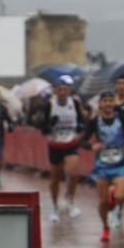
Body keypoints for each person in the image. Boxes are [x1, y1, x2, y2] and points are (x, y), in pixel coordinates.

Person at [81, 91, 124, 242]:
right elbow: (83, 141)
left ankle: (115, 208)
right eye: (105, 101)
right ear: (100, 104)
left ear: (114, 103)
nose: (108, 104)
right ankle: (105, 227)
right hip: (102, 165)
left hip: (120, 163)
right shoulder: (94, 121)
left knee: (121, 195)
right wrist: (92, 146)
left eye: (111, 101)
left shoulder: (123, 118)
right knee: (103, 201)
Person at [39, 75, 87, 222]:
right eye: (59, 89)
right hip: (55, 144)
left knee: (73, 173)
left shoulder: (75, 102)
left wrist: (80, 127)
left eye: (65, 89)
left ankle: (70, 201)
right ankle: (54, 207)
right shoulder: (49, 104)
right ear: (55, 90)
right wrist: (50, 125)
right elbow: (42, 128)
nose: (62, 92)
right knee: (55, 178)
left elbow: (81, 120)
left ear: (70, 90)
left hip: (71, 142)